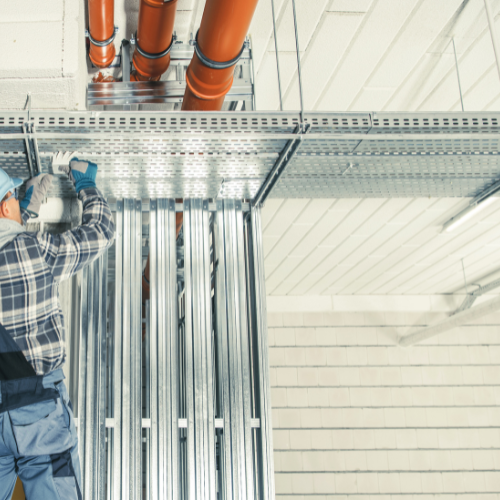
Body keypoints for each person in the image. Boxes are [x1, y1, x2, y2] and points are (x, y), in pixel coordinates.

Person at [0, 160, 115, 500]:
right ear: (6, 204)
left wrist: (23, 215)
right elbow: (102, 230)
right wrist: (86, 185)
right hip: (38, 413)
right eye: (14, 198)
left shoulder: (26, 246)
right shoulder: (33, 249)